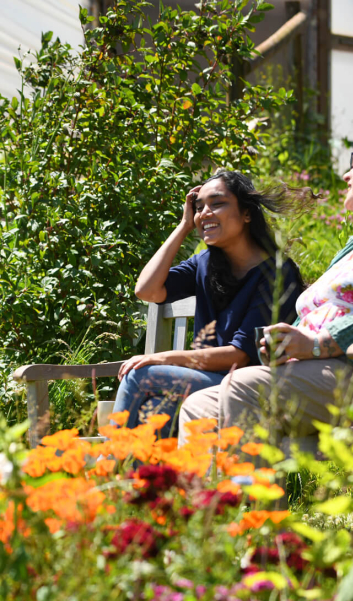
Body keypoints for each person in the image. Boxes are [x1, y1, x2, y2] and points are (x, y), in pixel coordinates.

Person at [178, 130, 353, 440]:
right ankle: (209, 490)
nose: (346, 174)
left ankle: (245, 488)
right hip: (318, 371)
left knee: (239, 388)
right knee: (198, 406)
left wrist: (314, 344)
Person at [112, 170, 310, 431]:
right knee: (159, 408)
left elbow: (239, 355)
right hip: (206, 381)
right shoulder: (205, 263)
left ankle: (109, 463)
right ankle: (145, 472)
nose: (204, 213)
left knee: (139, 376)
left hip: (246, 386)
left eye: (217, 203)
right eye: (198, 207)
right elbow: (147, 291)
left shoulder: (276, 275)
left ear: (246, 213)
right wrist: (184, 226)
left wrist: (162, 358)